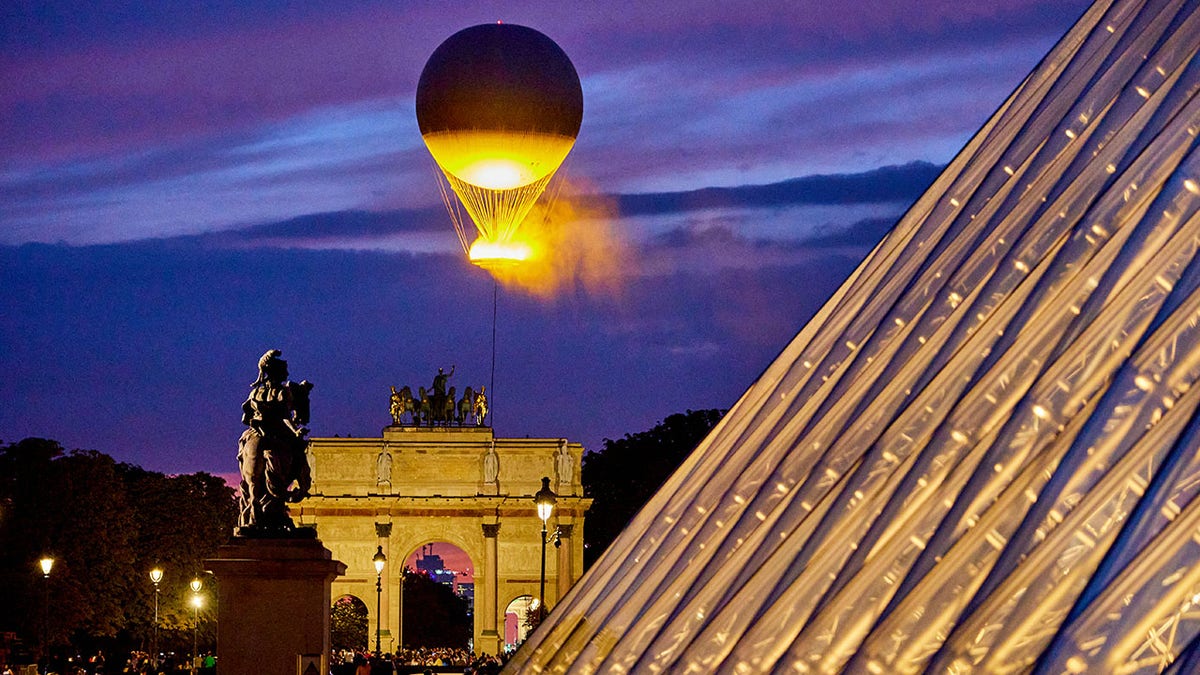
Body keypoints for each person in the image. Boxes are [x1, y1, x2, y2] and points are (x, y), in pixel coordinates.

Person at [236, 349, 314, 535]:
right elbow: (286, 417)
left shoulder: (256, 393)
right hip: (276, 432)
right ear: (277, 373)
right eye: (283, 370)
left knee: (250, 467)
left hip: (256, 432)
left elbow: (245, 417)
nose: (286, 374)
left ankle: (255, 514)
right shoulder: (282, 392)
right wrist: (295, 431)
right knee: (298, 454)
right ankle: (301, 486)